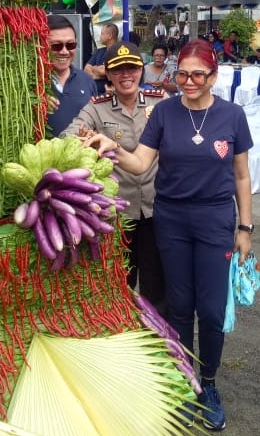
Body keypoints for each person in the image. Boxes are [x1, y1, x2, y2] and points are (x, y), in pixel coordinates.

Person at [85, 38, 254, 432]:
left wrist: (245, 227)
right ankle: (184, 382)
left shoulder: (233, 115)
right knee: (178, 307)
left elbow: (242, 176)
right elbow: (141, 164)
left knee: (211, 309)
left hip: (214, 220)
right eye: (183, 74)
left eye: (198, 74)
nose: (189, 81)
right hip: (171, 220)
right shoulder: (163, 113)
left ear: (213, 75)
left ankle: (208, 384)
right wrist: (111, 147)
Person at [61, 41, 168, 315]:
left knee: (158, 288)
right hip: (119, 214)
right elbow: (68, 137)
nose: (126, 75)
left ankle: (160, 345)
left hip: (159, 209)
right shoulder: (97, 108)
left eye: (131, 68)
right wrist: (85, 139)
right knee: (119, 284)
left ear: (141, 70)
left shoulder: (160, 102)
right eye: (118, 70)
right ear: (108, 74)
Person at [46, 14, 97, 135]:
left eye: (70, 45)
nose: (64, 51)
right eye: (56, 46)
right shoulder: (28, 84)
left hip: (77, 152)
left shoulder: (87, 81)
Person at [85, 23, 119, 93]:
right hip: (93, 95)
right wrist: (101, 74)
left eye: (102, 34)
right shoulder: (99, 51)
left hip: (110, 95)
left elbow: (106, 71)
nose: (100, 37)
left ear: (110, 36)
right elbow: (86, 69)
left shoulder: (118, 52)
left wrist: (94, 69)